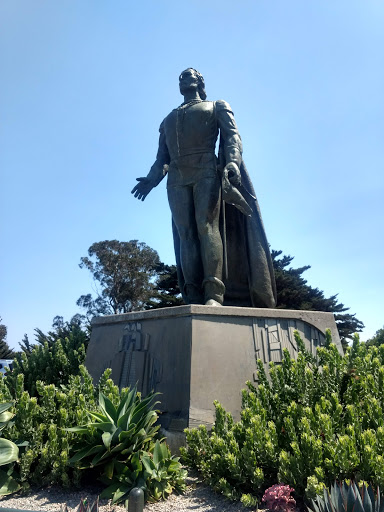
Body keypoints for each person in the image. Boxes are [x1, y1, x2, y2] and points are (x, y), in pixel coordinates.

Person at [132, 68, 276, 308]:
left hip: (206, 171)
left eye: (188, 75)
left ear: (200, 81)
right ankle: (192, 294)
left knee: (206, 227)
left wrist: (232, 162)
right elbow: (162, 159)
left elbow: (232, 137)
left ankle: (214, 293)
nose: (183, 79)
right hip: (177, 178)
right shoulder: (168, 119)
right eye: (180, 78)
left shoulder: (216, 106)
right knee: (185, 234)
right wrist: (150, 179)